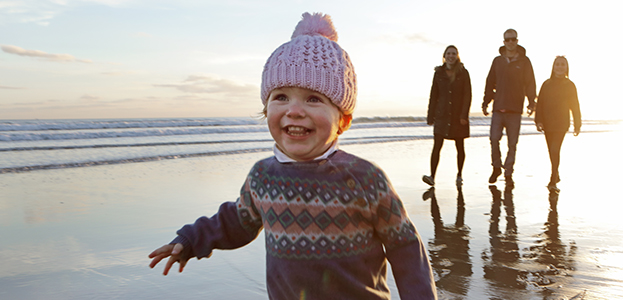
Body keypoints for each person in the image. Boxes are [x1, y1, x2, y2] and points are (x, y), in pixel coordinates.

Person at [147, 12, 437, 300]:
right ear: (266, 110)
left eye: (313, 99)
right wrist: (191, 240)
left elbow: (405, 246)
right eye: (281, 97)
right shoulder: (263, 177)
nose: (294, 110)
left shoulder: (365, 178)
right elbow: (237, 221)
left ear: (343, 121)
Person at [482, 28, 536, 187]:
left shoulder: (524, 62)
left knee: (512, 144)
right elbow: (490, 82)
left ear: (517, 41)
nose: (511, 42)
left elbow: (530, 83)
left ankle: (508, 173)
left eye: (513, 39)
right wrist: (486, 102)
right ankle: (496, 167)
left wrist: (531, 102)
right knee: (493, 139)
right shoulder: (497, 61)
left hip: (515, 110)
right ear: (504, 42)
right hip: (498, 108)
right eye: (507, 40)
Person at [423, 45, 471, 187]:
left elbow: (467, 95)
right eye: (449, 53)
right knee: (437, 146)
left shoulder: (463, 73)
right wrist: (430, 116)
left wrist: (464, 115)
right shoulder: (439, 73)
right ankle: (432, 176)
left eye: (454, 54)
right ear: (444, 56)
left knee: (460, 146)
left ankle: (459, 175)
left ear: (457, 56)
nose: (451, 56)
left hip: (458, 116)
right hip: (442, 115)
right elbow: (434, 95)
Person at [534, 56, 581, 192]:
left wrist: (577, 124)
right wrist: (539, 121)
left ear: (566, 68)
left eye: (562, 65)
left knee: (555, 149)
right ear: (553, 67)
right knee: (551, 151)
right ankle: (556, 173)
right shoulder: (546, 84)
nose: (560, 67)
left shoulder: (569, 85)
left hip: (561, 123)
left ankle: (553, 178)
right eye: (557, 64)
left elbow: (575, 106)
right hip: (548, 123)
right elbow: (540, 103)